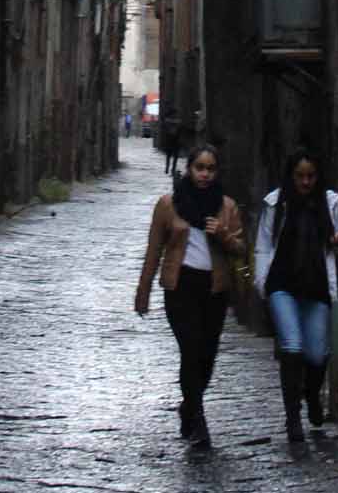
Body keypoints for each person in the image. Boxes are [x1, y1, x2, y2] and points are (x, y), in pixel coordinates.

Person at [134, 143, 245, 451]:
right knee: (191, 349)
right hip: (180, 286)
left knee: (207, 355)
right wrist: (142, 292)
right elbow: (154, 250)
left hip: (214, 288)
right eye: (200, 168)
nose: (205, 174)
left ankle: (188, 405)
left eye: (211, 169)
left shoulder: (227, 207)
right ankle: (198, 419)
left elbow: (239, 248)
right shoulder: (169, 205)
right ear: (189, 169)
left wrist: (222, 233)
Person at [253, 148, 338, 446]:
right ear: (291, 176)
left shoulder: (329, 204)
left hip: (316, 286)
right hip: (283, 284)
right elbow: (263, 245)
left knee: (318, 353)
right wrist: (262, 283)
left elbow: (336, 239)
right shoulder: (276, 204)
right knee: (292, 347)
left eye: (310, 176)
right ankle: (293, 417)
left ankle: (311, 395)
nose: (305, 182)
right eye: (300, 176)